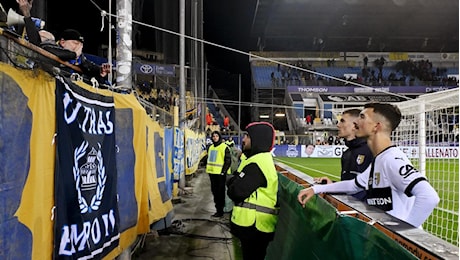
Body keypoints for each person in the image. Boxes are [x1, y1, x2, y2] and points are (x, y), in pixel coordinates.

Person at [297, 102, 440, 228]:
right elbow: (353, 185)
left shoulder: (392, 160)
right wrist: (316, 189)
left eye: (362, 117)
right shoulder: (380, 160)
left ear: (376, 126)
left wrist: (406, 236)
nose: (355, 122)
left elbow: (429, 197)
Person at [227, 122, 279, 260]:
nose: (243, 139)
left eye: (247, 136)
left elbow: (235, 191)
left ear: (258, 139)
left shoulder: (257, 163)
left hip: (255, 227)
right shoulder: (258, 160)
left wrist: (233, 181)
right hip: (255, 227)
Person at [314, 109, 373, 200]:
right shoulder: (347, 153)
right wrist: (332, 184)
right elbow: (350, 186)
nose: (338, 125)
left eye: (342, 121)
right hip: (350, 209)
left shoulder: (370, 151)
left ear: (355, 125)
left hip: (364, 212)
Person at [206, 130, 231, 218]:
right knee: (214, 192)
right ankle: (218, 209)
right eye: (213, 136)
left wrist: (223, 171)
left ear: (219, 137)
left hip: (220, 174)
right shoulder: (211, 147)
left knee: (220, 193)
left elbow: (228, 161)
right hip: (212, 173)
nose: (215, 138)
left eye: (216, 136)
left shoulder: (224, 147)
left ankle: (220, 211)